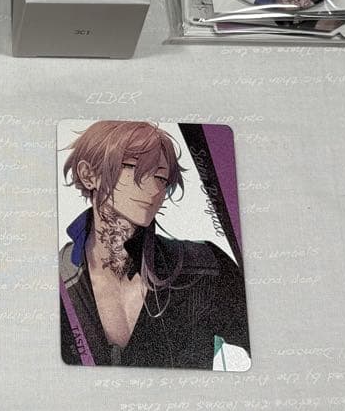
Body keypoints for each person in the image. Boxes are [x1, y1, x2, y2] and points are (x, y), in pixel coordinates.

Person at [59, 121, 249, 368]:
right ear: (89, 175)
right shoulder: (58, 279)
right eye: (134, 168)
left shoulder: (204, 267)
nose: (153, 188)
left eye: (161, 177)